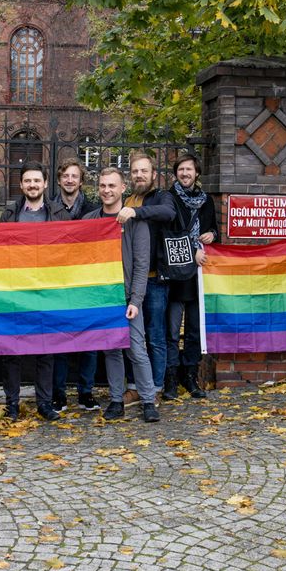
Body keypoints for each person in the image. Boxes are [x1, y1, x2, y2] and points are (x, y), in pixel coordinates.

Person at [83, 167, 159, 422]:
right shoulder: (90, 220)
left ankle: (149, 400)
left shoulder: (136, 222)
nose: (106, 190)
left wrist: (136, 301)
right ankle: (116, 399)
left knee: (137, 349)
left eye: (112, 186)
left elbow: (141, 264)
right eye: (103, 186)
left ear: (123, 188)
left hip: (128, 297)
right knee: (111, 351)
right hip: (102, 297)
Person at [115, 151, 177, 419]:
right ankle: (135, 388)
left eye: (144, 171)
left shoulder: (161, 197)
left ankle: (156, 388)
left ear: (153, 175)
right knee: (131, 339)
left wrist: (136, 212)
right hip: (129, 282)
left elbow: (168, 213)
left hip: (155, 278)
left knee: (156, 336)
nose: (139, 175)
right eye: (135, 171)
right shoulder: (125, 199)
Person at [0, 164, 59, 421]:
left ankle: (44, 403)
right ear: (21, 186)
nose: (32, 185)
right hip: (15, 290)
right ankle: (11, 403)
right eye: (27, 181)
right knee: (12, 351)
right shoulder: (10, 214)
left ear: (45, 183)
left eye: (37, 180)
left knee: (46, 351)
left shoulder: (58, 214)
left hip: (46, 291)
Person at [165, 152, 216, 401]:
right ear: (176, 173)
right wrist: (191, 249)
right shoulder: (169, 198)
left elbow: (213, 227)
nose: (185, 173)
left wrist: (212, 236)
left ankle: (191, 376)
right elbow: (169, 233)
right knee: (173, 330)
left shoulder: (206, 201)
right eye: (181, 169)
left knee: (194, 329)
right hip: (176, 274)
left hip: (198, 274)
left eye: (189, 169)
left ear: (197, 173)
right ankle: (171, 378)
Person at [49, 158, 96, 410]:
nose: (69, 180)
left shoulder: (93, 209)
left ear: (81, 181)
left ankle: (86, 392)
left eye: (74, 176)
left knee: (89, 341)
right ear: (59, 179)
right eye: (65, 176)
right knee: (60, 341)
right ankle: (58, 393)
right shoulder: (49, 208)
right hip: (57, 282)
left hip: (87, 281)